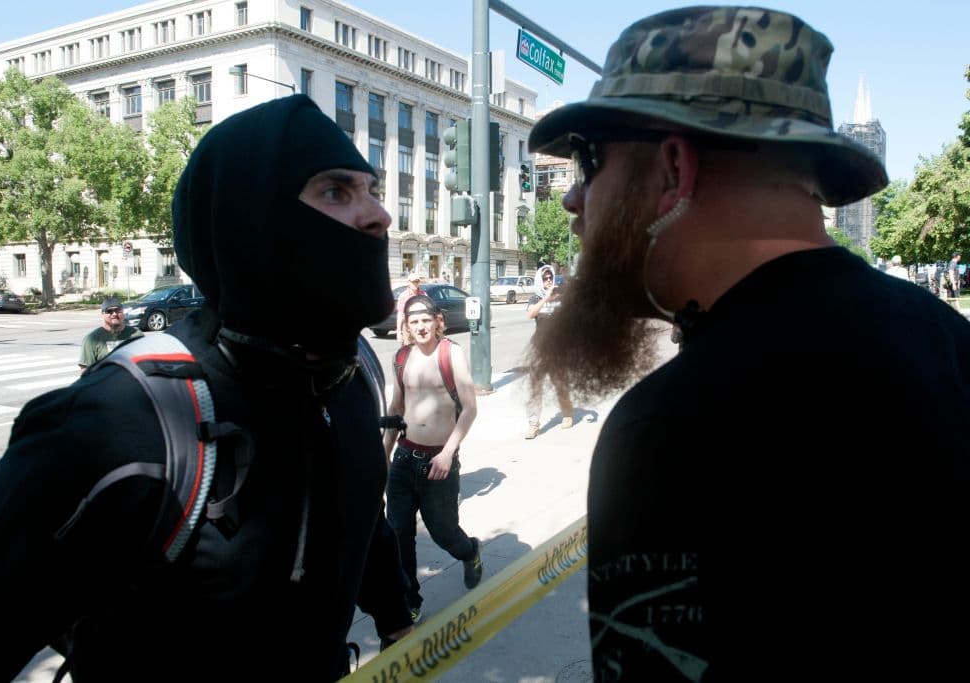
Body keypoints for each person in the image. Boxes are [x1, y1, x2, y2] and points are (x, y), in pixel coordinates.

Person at [526, 6, 970, 680]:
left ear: (674, 169)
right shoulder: (950, 342)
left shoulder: (672, 428)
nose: (573, 199)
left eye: (589, 157)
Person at [0, 95, 414, 681]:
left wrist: (396, 617)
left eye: (371, 190)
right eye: (336, 192)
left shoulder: (350, 379)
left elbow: (355, 507)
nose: (379, 216)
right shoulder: (121, 416)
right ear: (253, 222)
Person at [383, 294, 482, 623]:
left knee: (444, 533)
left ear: (437, 320)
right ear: (407, 326)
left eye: (426, 320)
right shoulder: (401, 358)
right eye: (414, 321)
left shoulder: (450, 353)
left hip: (438, 462)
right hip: (405, 457)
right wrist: (383, 456)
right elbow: (396, 410)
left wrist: (447, 452)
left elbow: (469, 408)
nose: (421, 326)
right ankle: (408, 601)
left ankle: (470, 552)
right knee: (398, 534)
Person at [524, 264, 574, 439]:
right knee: (534, 386)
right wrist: (546, 297)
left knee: (560, 383)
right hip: (539, 348)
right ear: (540, 279)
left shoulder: (560, 298)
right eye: (545, 278)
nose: (548, 281)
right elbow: (530, 314)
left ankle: (567, 413)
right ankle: (533, 423)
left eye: (550, 278)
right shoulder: (535, 298)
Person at [77, 296, 143, 374]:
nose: (114, 314)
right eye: (109, 311)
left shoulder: (137, 334)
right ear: (103, 313)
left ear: (123, 311)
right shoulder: (91, 339)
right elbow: (85, 370)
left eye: (117, 310)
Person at [395, 270, 426, 341]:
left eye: (417, 282)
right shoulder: (403, 296)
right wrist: (399, 332)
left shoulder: (423, 294)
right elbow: (400, 314)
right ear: (409, 283)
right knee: (408, 349)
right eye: (413, 282)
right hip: (408, 327)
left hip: (421, 325)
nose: (415, 284)